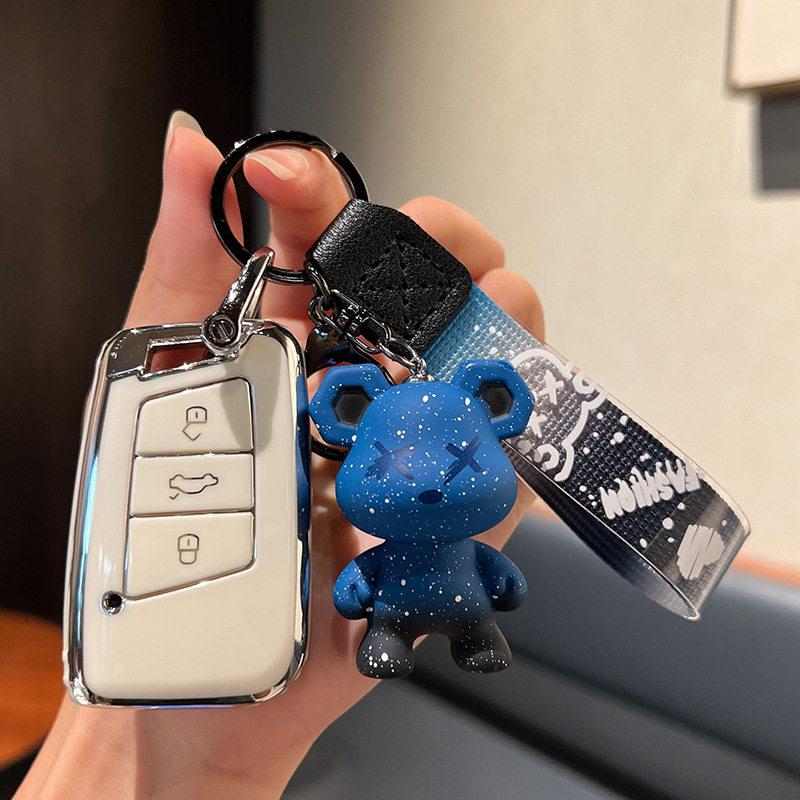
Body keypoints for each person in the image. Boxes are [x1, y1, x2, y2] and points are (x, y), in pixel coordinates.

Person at [14, 110, 545, 800]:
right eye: (396, 464)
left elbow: (491, 579)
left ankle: (471, 635)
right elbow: (383, 585)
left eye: (460, 460)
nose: (428, 482)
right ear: (344, 418)